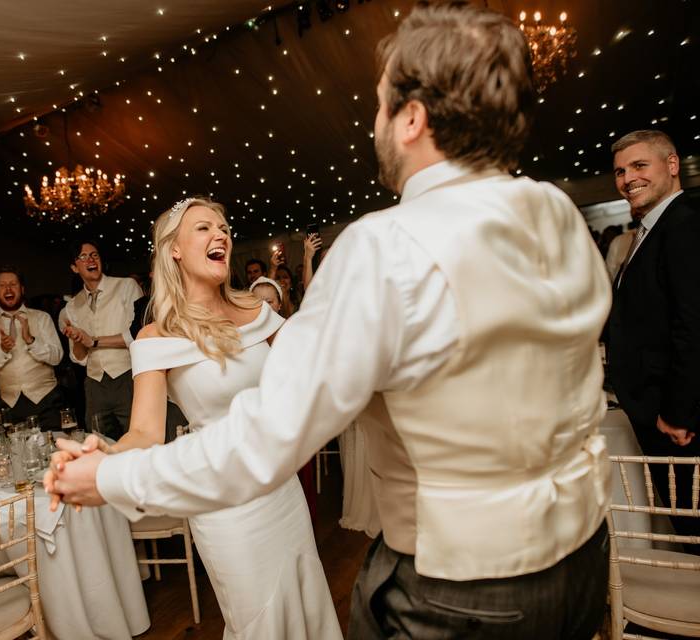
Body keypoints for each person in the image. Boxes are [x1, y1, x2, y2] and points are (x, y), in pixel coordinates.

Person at [45, 5, 613, 639]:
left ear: (412, 120)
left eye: (379, 105)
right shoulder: (557, 215)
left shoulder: (383, 247)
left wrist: (114, 475)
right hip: (583, 558)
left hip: (465, 588)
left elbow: (267, 438)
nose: (375, 121)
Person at [60, 198, 342, 638]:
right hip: (224, 505)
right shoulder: (156, 337)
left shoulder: (258, 312)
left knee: (304, 602)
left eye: (224, 227)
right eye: (204, 228)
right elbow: (145, 432)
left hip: (281, 492)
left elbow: (319, 365)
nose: (221, 235)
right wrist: (106, 458)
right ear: (174, 249)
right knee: (257, 620)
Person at [606, 129, 700, 545]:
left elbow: (694, 324)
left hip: (676, 417)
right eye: (620, 171)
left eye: (639, 166)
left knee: (694, 523)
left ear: (673, 165)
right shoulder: (651, 230)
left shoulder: (684, 225)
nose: (628, 179)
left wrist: (679, 412)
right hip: (657, 409)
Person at [59, 241, 143, 439]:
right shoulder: (72, 306)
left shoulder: (125, 286)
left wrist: (94, 341)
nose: (91, 260)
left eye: (94, 255)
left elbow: (139, 335)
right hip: (95, 385)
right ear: (74, 267)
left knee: (138, 438)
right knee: (100, 441)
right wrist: (77, 338)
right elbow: (78, 357)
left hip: (128, 376)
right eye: (84, 256)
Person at [0, 267, 64, 430]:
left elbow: (57, 357)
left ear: (22, 289)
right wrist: (1, 349)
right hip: (10, 405)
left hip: (46, 400)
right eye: (2, 285)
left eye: (13, 284)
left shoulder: (42, 317)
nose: (8, 289)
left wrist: (31, 341)